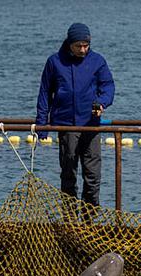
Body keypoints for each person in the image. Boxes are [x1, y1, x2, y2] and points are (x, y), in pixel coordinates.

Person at [36, 23, 115, 207]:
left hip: (91, 124)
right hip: (66, 125)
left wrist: (102, 103)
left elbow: (108, 86)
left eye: (86, 45)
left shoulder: (98, 61)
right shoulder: (54, 62)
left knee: (93, 177)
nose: (83, 49)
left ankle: (89, 221)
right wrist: (41, 126)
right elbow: (45, 93)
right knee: (68, 176)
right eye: (78, 45)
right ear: (69, 44)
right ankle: (70, 221)